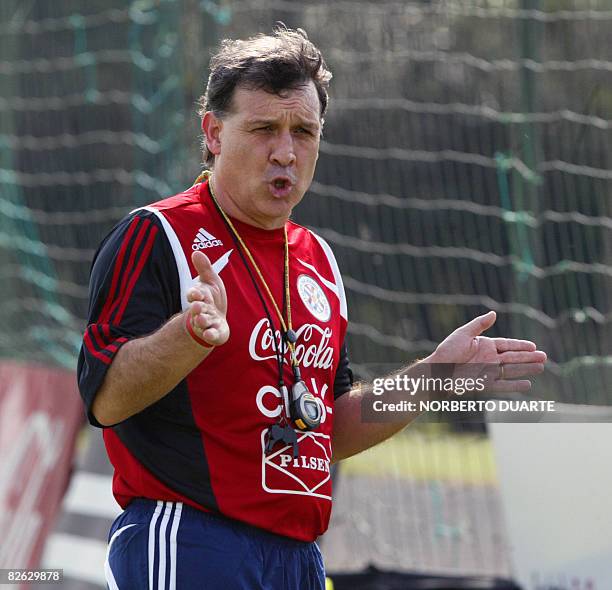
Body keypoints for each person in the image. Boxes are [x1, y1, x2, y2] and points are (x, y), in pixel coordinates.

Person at [77, 26, 546, 590]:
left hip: (299, 558)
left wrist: (434, 378)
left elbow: (331, 432)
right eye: (264, 129)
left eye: (304, 131)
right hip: (192, 541)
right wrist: (191, 336)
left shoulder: (318, 258)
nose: (286, 151)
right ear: (214, 133)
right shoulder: (159, 235)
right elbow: (105, 399)